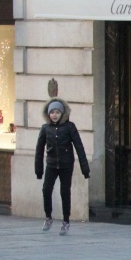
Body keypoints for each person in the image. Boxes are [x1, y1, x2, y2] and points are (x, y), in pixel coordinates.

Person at [34, 98, 89, 235]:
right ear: (48, 114)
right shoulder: (45, 129)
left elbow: (79, 147)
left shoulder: (70, 127)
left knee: (65, 192)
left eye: (57, 112)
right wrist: (39, 170)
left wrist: (85, 169)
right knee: (46, 189)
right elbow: (39, 150)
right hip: (51, 164)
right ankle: (48, 217)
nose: (54, 115)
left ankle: (66, 220)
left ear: (62, 113)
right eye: (52, 112)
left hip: (66, 164)